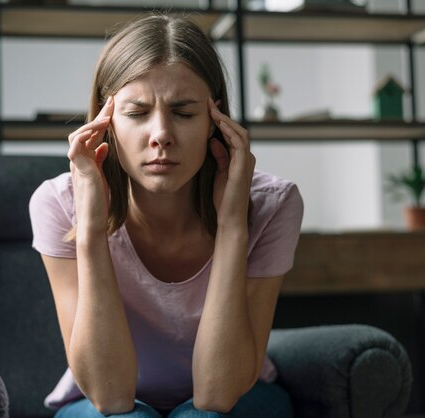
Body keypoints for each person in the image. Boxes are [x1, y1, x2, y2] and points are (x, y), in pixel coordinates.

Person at [29, 13, 303, 418]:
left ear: (217, 121)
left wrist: (231, 226)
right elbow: (110, 398)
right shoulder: (57, 203)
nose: (161, 134)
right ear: (106, 124)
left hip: (238, 399)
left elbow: (217, 395)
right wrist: (89, 228)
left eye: (184, 112)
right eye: (137, 113)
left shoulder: (272, 204)